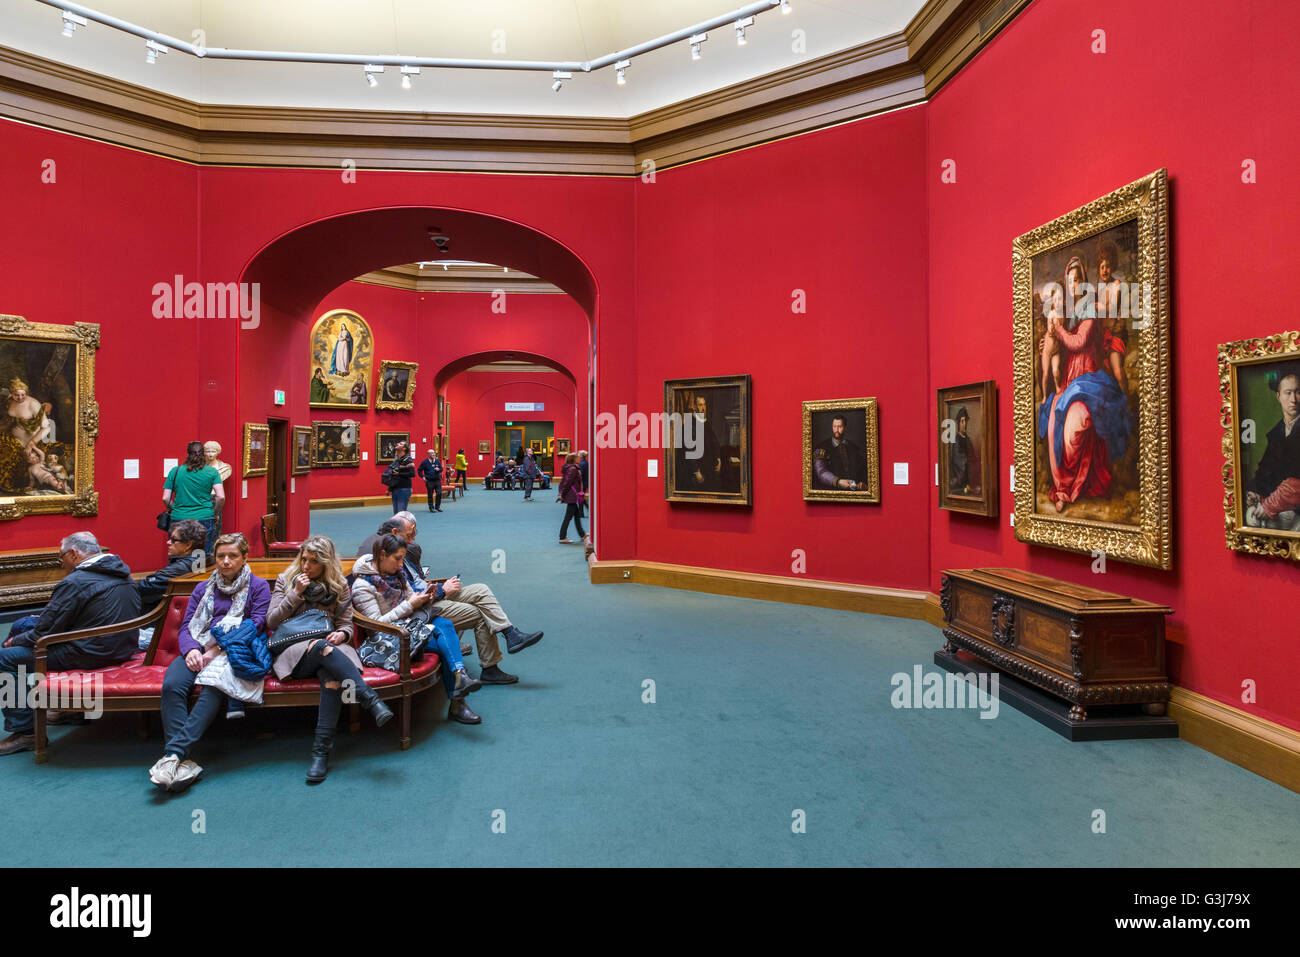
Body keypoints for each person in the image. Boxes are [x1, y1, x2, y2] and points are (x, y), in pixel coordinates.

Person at [146, 532, 270, 790]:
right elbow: (186, 627)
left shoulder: (258, 586)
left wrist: (216, 649)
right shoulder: (203, 588)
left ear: (245, 557)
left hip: (234, 650)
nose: (225, 561)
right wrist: (191, 649)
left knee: (213, 689)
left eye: (233, 556)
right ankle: (180, 761)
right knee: (172, 686)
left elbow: (255, 625)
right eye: (221, 555)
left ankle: (173, 756)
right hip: (199, 647)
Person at [0, 532, 141, 755]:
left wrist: (12, 643)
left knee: (5, 658)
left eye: (61, 557)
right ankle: (69, 709)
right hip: (120, 647)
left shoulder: (76, 581)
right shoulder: (122, 573)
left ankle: (26, 732)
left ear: (74, 554)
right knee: (21, 624)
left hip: (90, 652)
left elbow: (43, 632)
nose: (62, 563)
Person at [267, 536, 392, 784]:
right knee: (322, 648)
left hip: (330, 652)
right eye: (304, 559)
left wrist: (343, 633)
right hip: (294, 654)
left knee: (331, 678)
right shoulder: (286, 580)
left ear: (325, 564)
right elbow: (272, 621)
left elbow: (346, 623)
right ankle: (370, 699)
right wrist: (296, 594)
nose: (306, 566)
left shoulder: (338, 586)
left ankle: (320, 752)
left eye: (314, 562)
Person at [1036, 255, 1133, 512]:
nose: (1074, 285)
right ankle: (1062, 488)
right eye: (1070, 281)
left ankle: (1074, 485)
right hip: (1069, 379)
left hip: (1089, 378)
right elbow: (1060, 346)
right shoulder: (1066, 314)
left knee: (1073, 427)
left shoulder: (1090, 308)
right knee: (1055, 418)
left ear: (1084, 282)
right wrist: (1048, 343)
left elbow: (1078, 343)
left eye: (1077, 279)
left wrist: (1058, 333)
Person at [352, 534, 483, 724]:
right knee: (444, 645)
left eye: (402, 559)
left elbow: (411, 596)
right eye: (397, 558)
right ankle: (458, 701)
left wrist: (423, 598)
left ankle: (460, 677)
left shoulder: (397, 573)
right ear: (381, 555)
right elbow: (376, 624)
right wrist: (410, 605)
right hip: (389, 638)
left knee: (444, 624)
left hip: (412, 624)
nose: (400, 565)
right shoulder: (362, 585)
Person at [1245, 368, 1300, 526]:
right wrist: (1255, 492)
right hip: (1278, 507)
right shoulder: (1276, 433)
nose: (1293, 400)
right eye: (1288, 393)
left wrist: (1269, 505)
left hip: (1295, 510)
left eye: (1298, 392)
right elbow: (1265, 471)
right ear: (1278, 397)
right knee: (1252, 518)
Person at [164, 441, 224, 555]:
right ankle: (198, 572)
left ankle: (178, 573)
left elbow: (166, 498)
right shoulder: (212, 472)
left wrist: (173, 508)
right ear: (204, 454)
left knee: (177, 553)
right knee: (200, 556)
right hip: (204, 517)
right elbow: (220, 497)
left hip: (179, 517)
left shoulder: (175, 471)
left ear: (187, 454)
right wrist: (214, 513)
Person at [136, 519, 207, 610]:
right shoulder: (201, 559)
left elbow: (145, 587)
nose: (168, 542)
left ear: (188, 545)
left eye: (174, 540)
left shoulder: (180, 568)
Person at [678, 394, 724, 492]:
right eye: (700, 405)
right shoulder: (689, 425)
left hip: (709, 469)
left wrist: (719, 458)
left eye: (704, 405)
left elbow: (714, 442)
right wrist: (696, 472)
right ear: (694, 407)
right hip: (698, 472)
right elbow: (688, 450)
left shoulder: (706, 423)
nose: (702, 408)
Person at [812, 413, 866, 490]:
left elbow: (861, 471)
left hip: (853, 492)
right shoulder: (821, 447)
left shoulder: (854, 448)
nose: (836, 430)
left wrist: (862, 483)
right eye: (834, 426)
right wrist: (838, 482)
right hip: (831, 492)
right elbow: (821, 472)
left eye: (839, 426)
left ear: (845, 427)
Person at [558, 452, 587, 544]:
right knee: (568, 517)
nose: (579, 458)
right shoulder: (573, 469)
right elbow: (567, 482)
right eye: (577, 457)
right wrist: (562, 494)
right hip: (572, 495)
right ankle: (562, 537)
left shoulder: (572, 468)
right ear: (574, 459)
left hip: (572, 495)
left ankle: (582, 534)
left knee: (577, 515)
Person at [948, 407, 976, 494]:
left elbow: (973, 458)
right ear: (958, 423)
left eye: (966, 421)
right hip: (961, 484)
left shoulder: (967, 439)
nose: (964, 424)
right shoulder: (957, 441)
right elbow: (960, 463)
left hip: (969, 482)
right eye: (962, 421)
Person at [387, 441, 416, 514]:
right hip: (395, 488)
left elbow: (412, 473)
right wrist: (389, 488)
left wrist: (399, 473)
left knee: (401, 513)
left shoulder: (408, 459)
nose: (397, 444)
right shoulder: (396, 460)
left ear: (404, 448)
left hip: (404, 489)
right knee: (396, 513)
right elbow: (393, 475)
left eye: (400, 444)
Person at [418, 448, 444, 512]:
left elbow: (441, 469)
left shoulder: (437, 461)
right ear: (428, 454)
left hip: (437, 480)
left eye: (434, 453)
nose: (433, 454)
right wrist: (423, 477)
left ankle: (437, 507)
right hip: (429, 481)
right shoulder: (425, 462)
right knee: (430, 494)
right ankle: (431, 507)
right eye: (432, 453)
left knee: (439, 493)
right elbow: (419, 470)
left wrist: (439, 470)